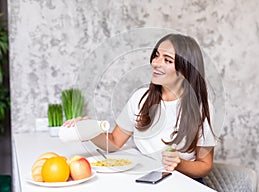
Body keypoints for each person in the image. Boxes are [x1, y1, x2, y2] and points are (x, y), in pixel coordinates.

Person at [64, 33, 218, 182]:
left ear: (186, 70)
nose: (156, 63)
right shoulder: (140, 99)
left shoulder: (202, 108)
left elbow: (205, 166)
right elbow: (115, 142)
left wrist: (179, 163)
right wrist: (88, 130)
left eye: (167, 60)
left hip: (183, 184)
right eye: (156, 55)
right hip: (147, 178)